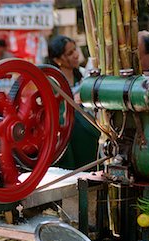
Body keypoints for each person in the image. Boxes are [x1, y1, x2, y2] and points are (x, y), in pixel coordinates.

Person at [47, 35, 100, 170]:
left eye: (75, 50)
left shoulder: (82, 75)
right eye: (70, 53)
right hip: (69, 132)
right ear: (58, 60)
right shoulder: (52, 82)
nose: (76, 55)